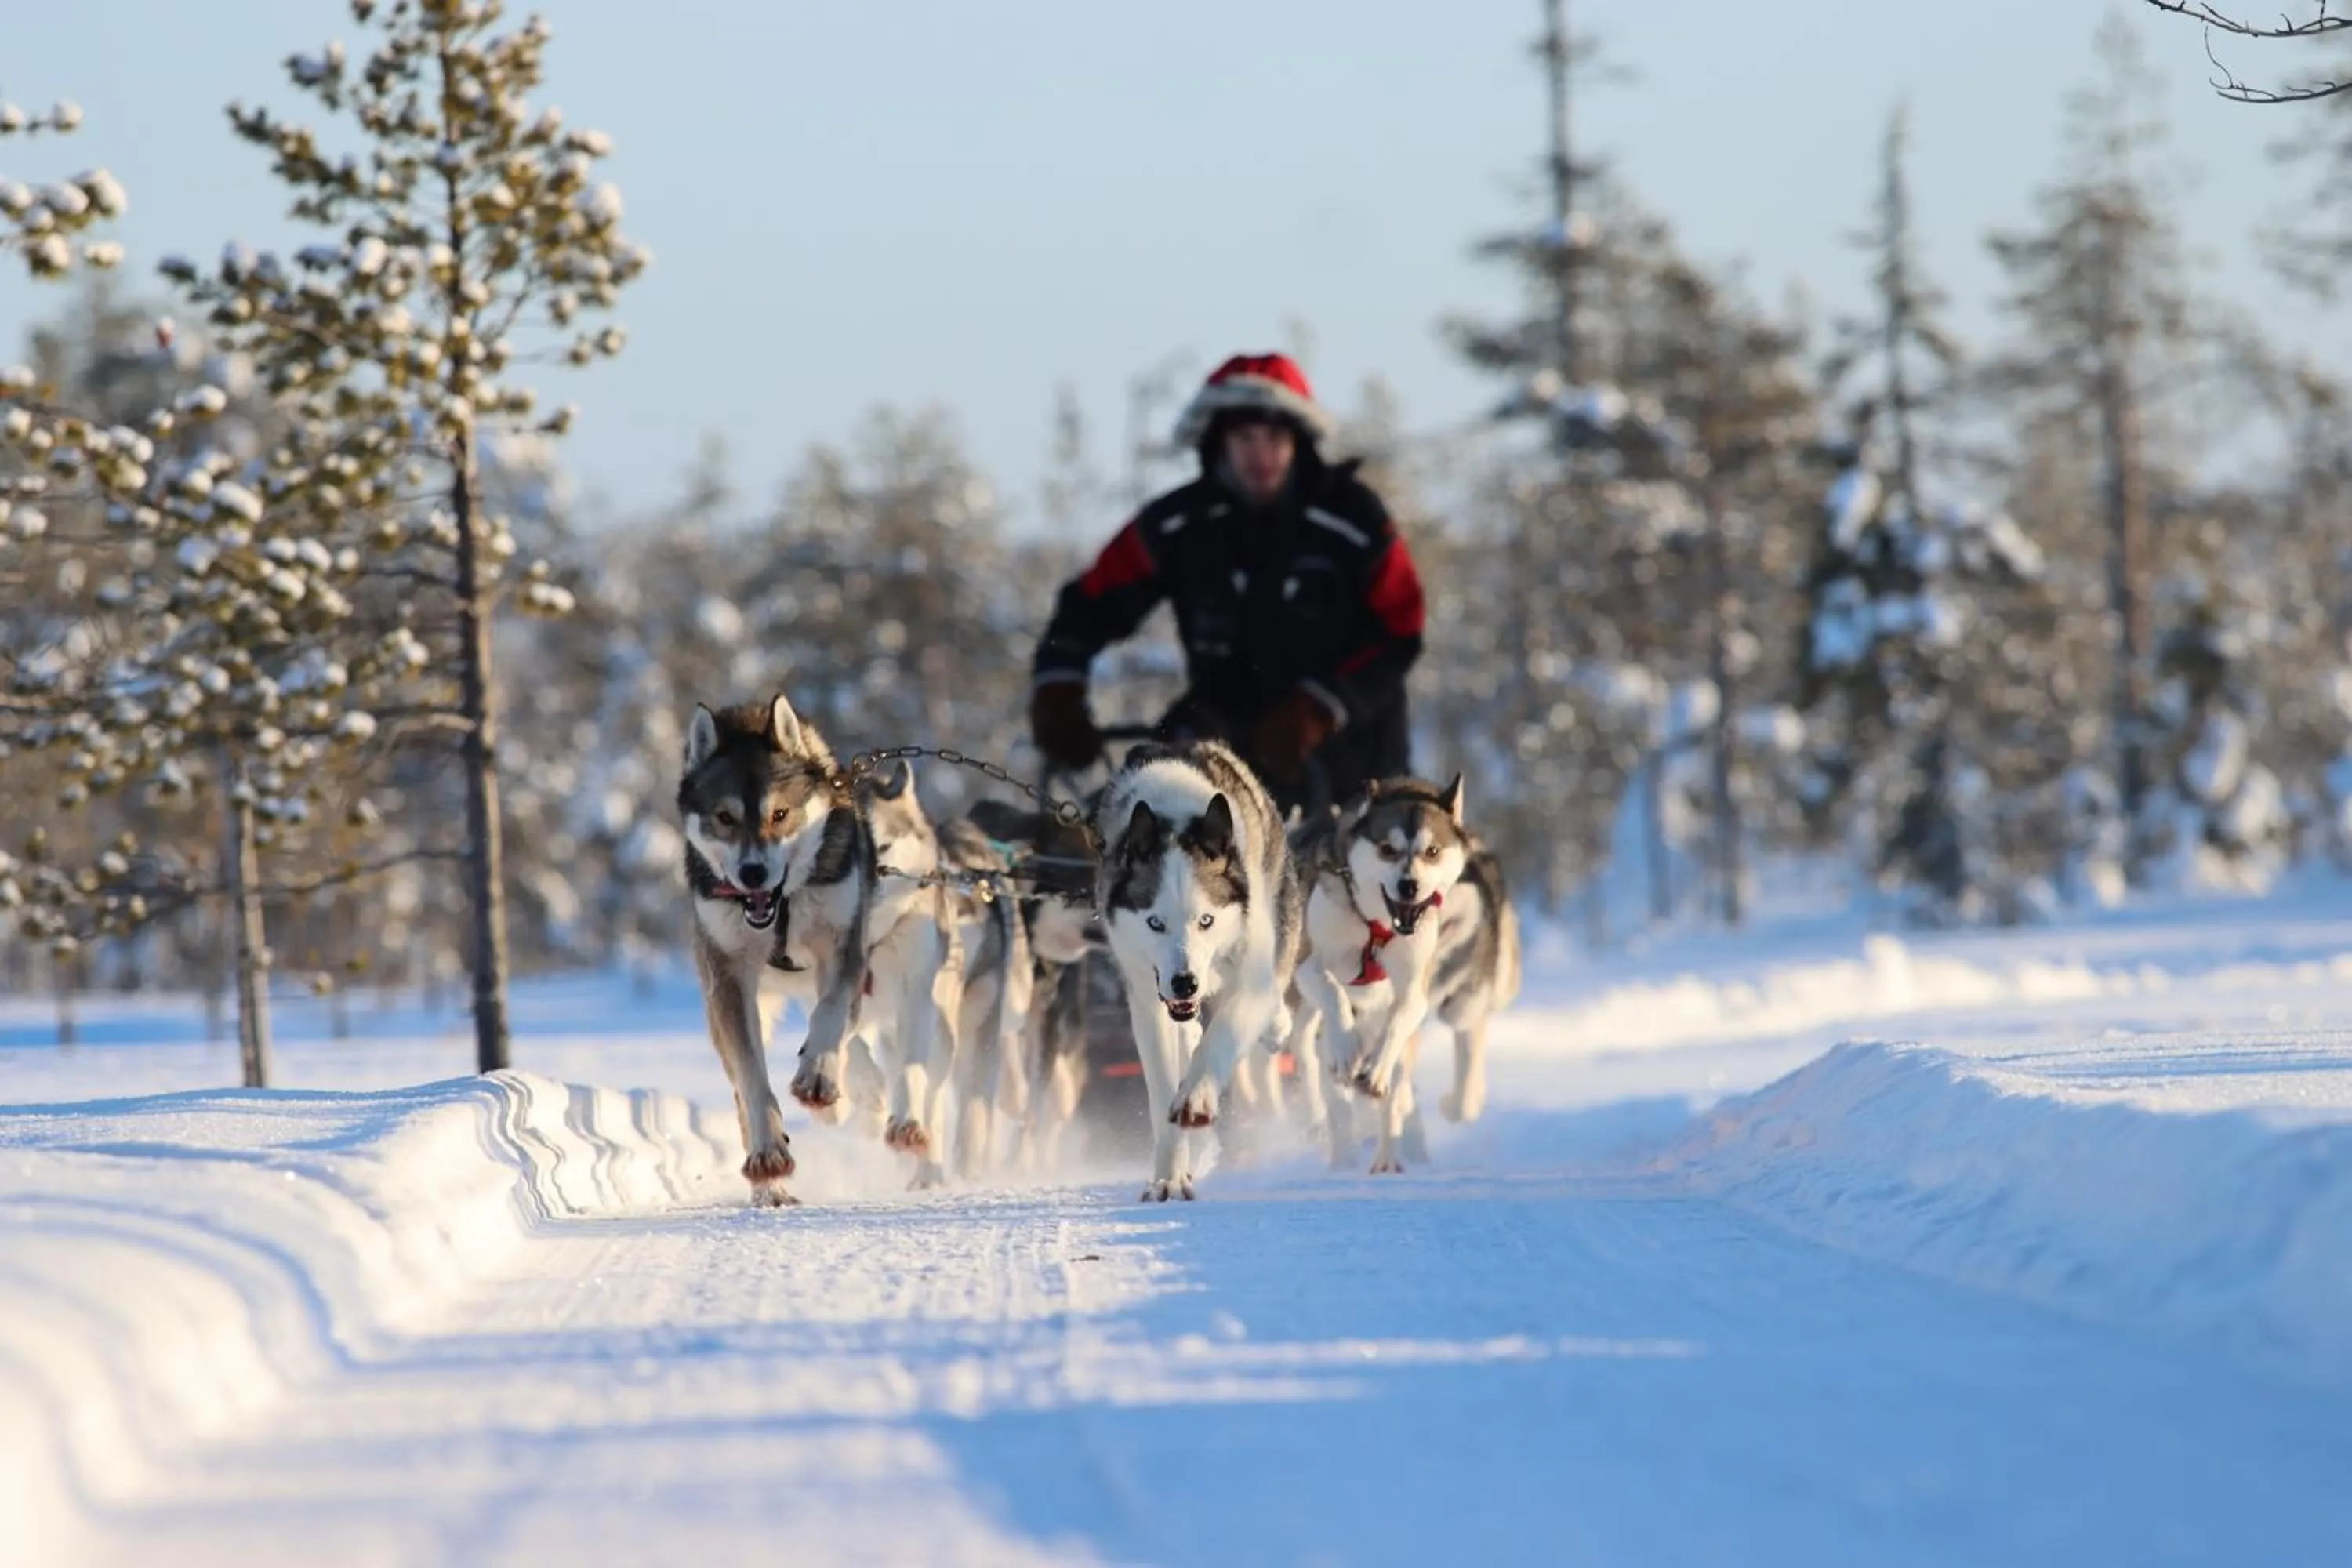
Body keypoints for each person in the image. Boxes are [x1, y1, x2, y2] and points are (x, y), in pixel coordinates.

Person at [1028, 353, 1426, 811]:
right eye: (1245, 438)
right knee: (1130, 811)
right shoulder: (1179, 525)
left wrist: (1318, 707)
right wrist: (1058, 693)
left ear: (1298, 440)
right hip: (1220, 741)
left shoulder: (1352, 521)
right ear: (1218, 442)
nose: (1261, 455)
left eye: (1275, 438)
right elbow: (1087, 607)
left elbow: (1400, 630)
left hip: (1354, 763)